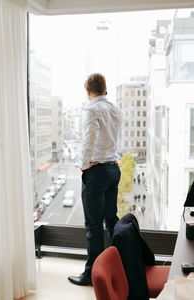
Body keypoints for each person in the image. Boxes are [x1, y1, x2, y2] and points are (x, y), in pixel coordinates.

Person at [68, 73, 123, 286]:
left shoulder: (92, 109)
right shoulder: (116, 109)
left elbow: (88, 141)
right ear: (105, 89)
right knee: (111, 220)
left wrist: (83, 166)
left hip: (97, 171)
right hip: (113, 169)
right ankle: (116, 269)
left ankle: (92, 274)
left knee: (93, 226)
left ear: (88, 91)